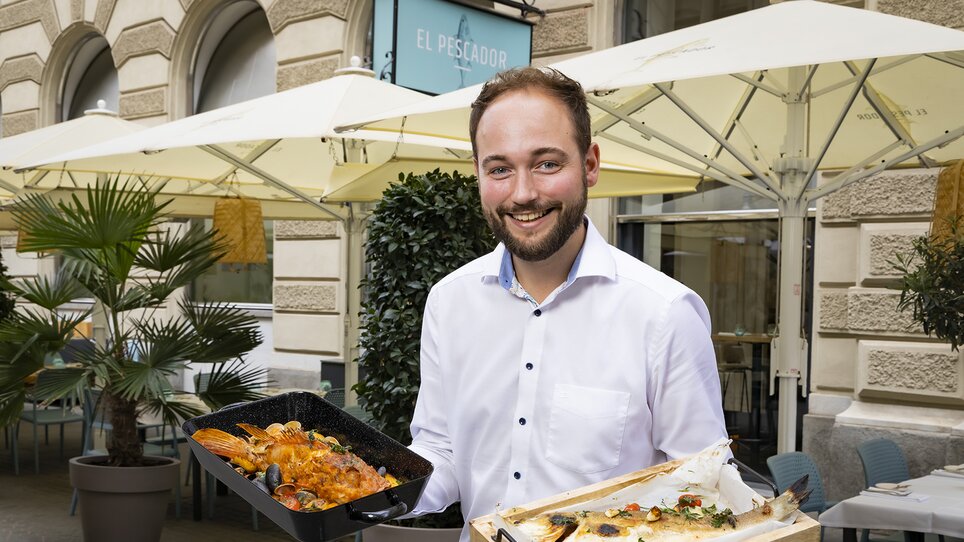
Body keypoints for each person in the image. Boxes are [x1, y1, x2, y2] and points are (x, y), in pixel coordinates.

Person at [407, 67, 727, 541]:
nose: (522, 194)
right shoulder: (449, 301)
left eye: (547, 164)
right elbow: (442, 451)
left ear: (590, 164)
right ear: (478, 174)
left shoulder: (665, 314)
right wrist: (366, 491)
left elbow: (704, 491)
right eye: (499, 169)